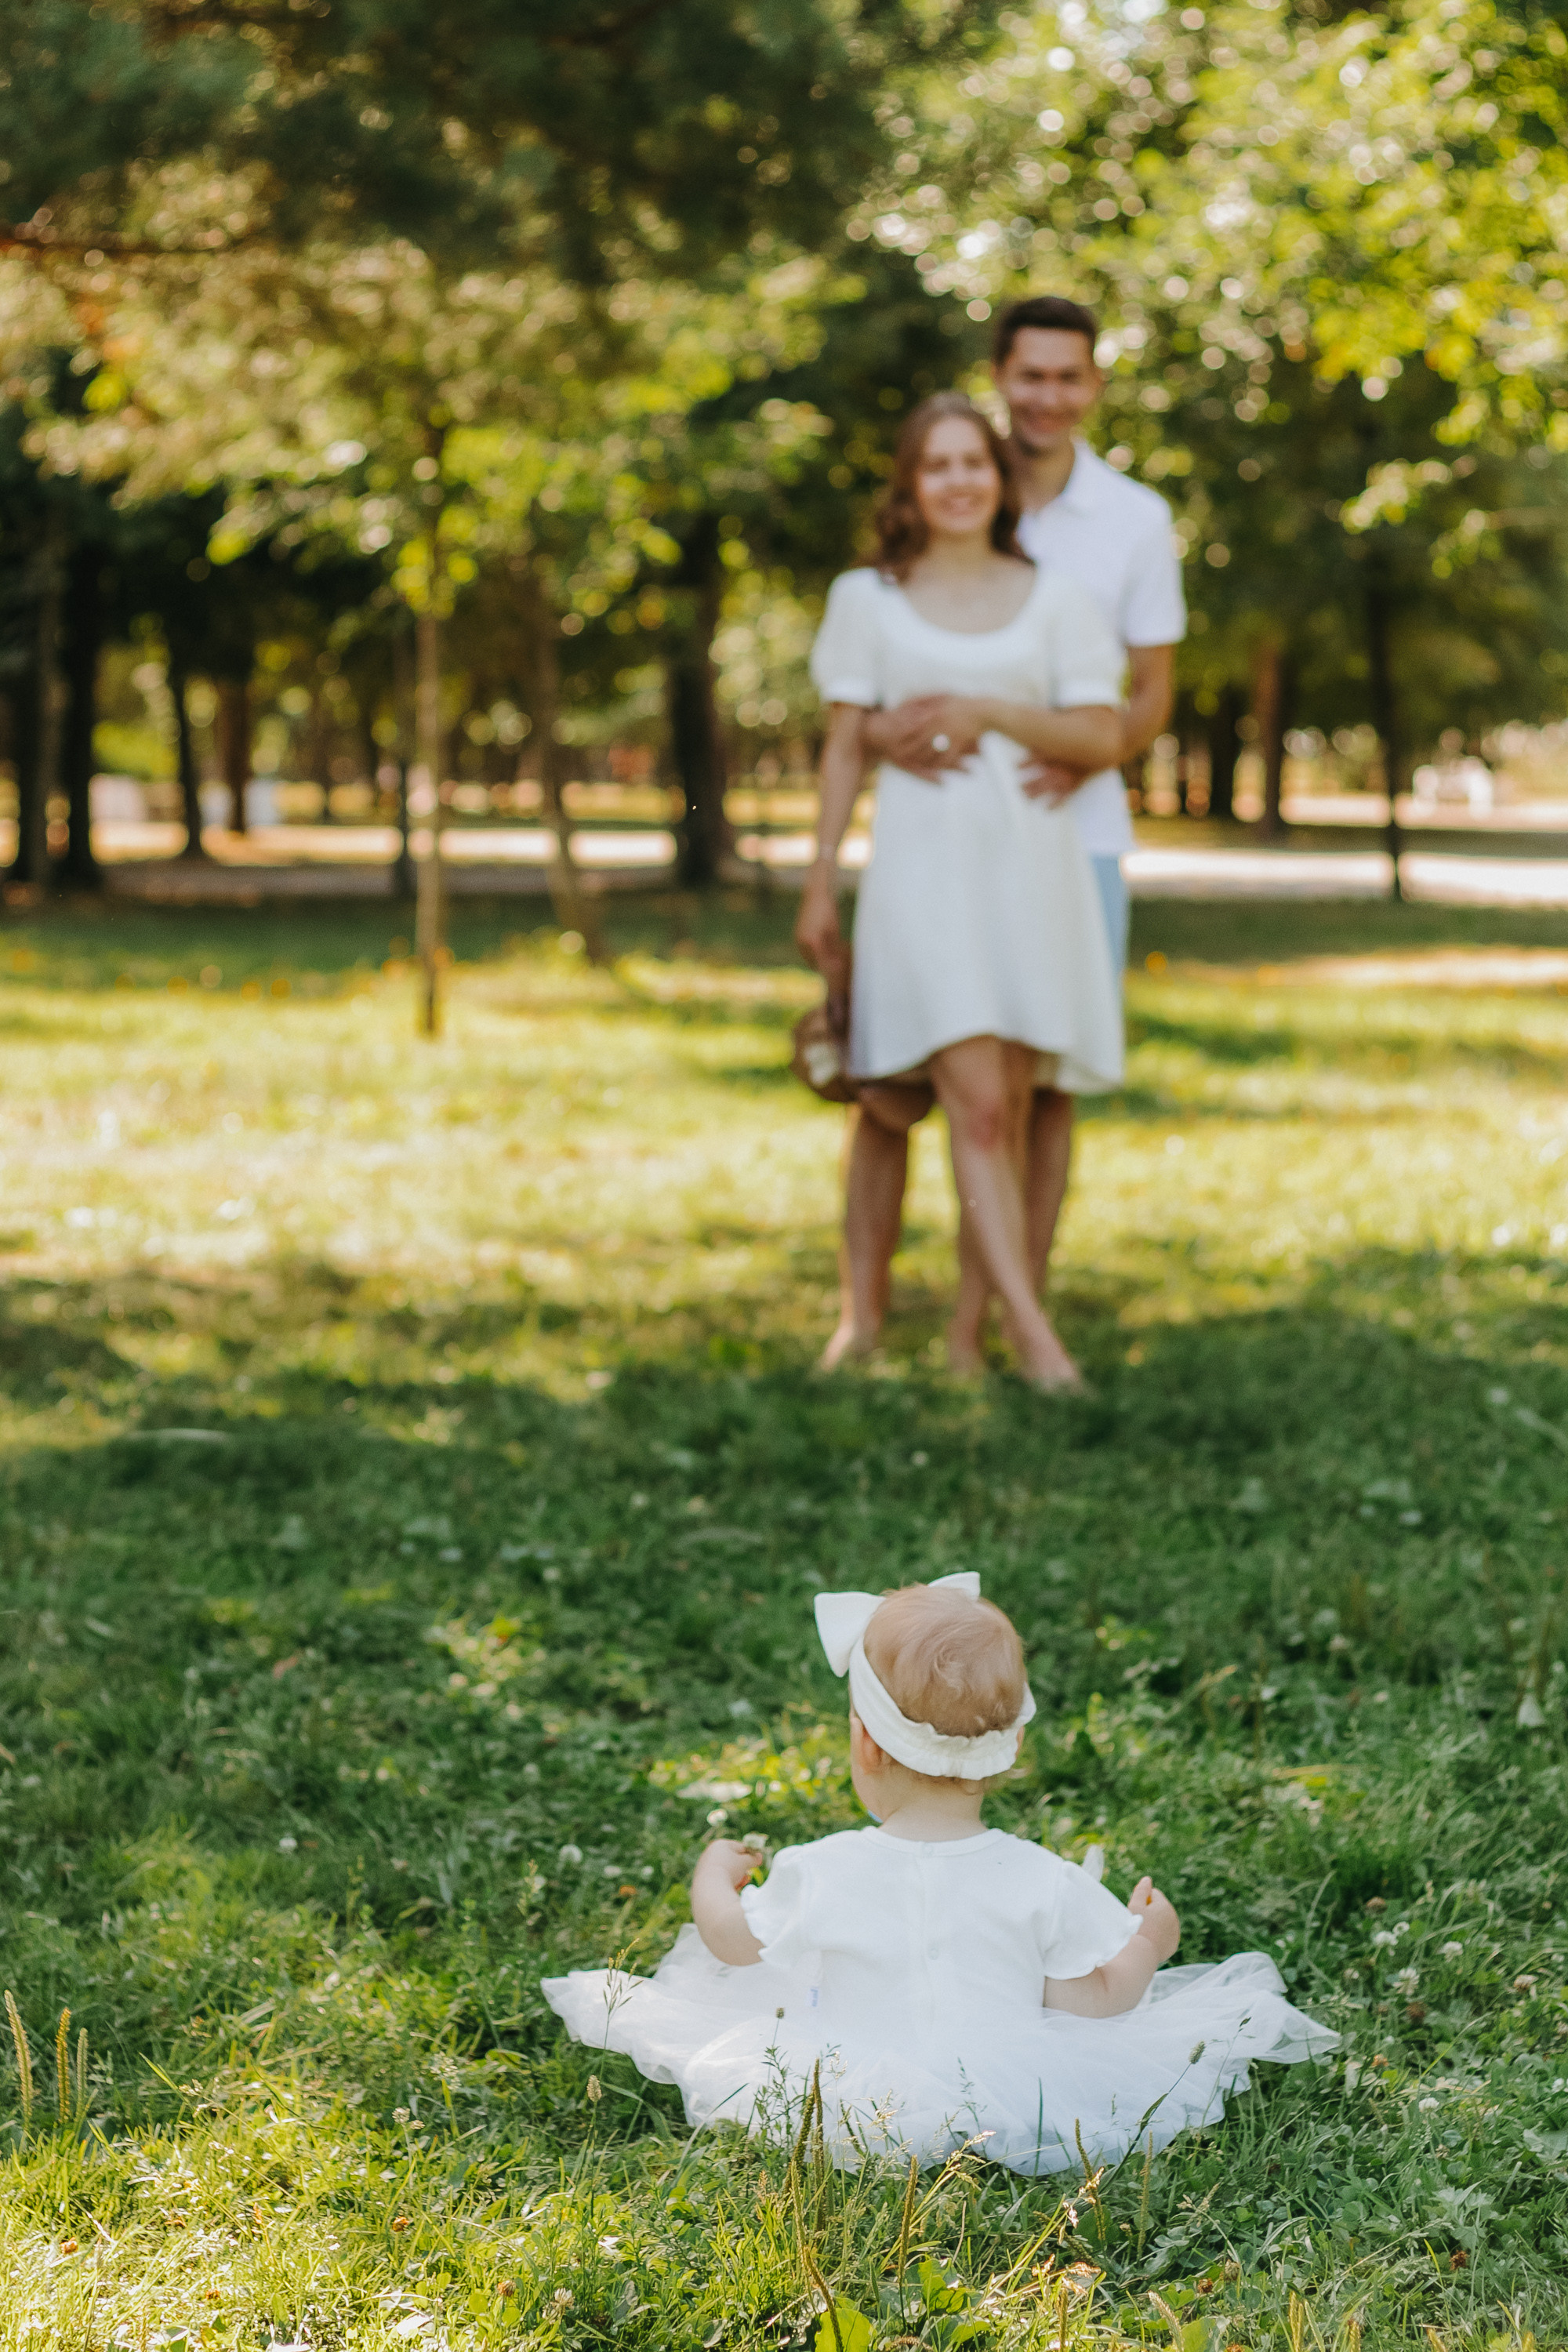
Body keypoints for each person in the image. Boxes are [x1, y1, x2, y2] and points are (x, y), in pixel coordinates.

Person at [542, 1574, 1335, 2176]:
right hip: (1016, 2086)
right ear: (1007, 1749)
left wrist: (714, 1875)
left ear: (866, 1747)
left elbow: (733, 1945)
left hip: (849, 2095)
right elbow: (1093, 2003)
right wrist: (1150, 1945)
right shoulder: (1041, 1879)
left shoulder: (820, 1872)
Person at [821, 294, 1187, 1372]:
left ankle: (988, 1329)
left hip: (1073, 839)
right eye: (1029, 377)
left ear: (1095, 387)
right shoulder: (953, 491)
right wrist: (893, 728)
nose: (1048, 396)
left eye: (1069, 377)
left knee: (1039, 1094)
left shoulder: (1131, 520)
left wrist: (1081, 747)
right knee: (900, 1096)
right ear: (1000, 381)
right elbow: (870, 696)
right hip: (937, 851)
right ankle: (868, 1316)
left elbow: (1148, 695)